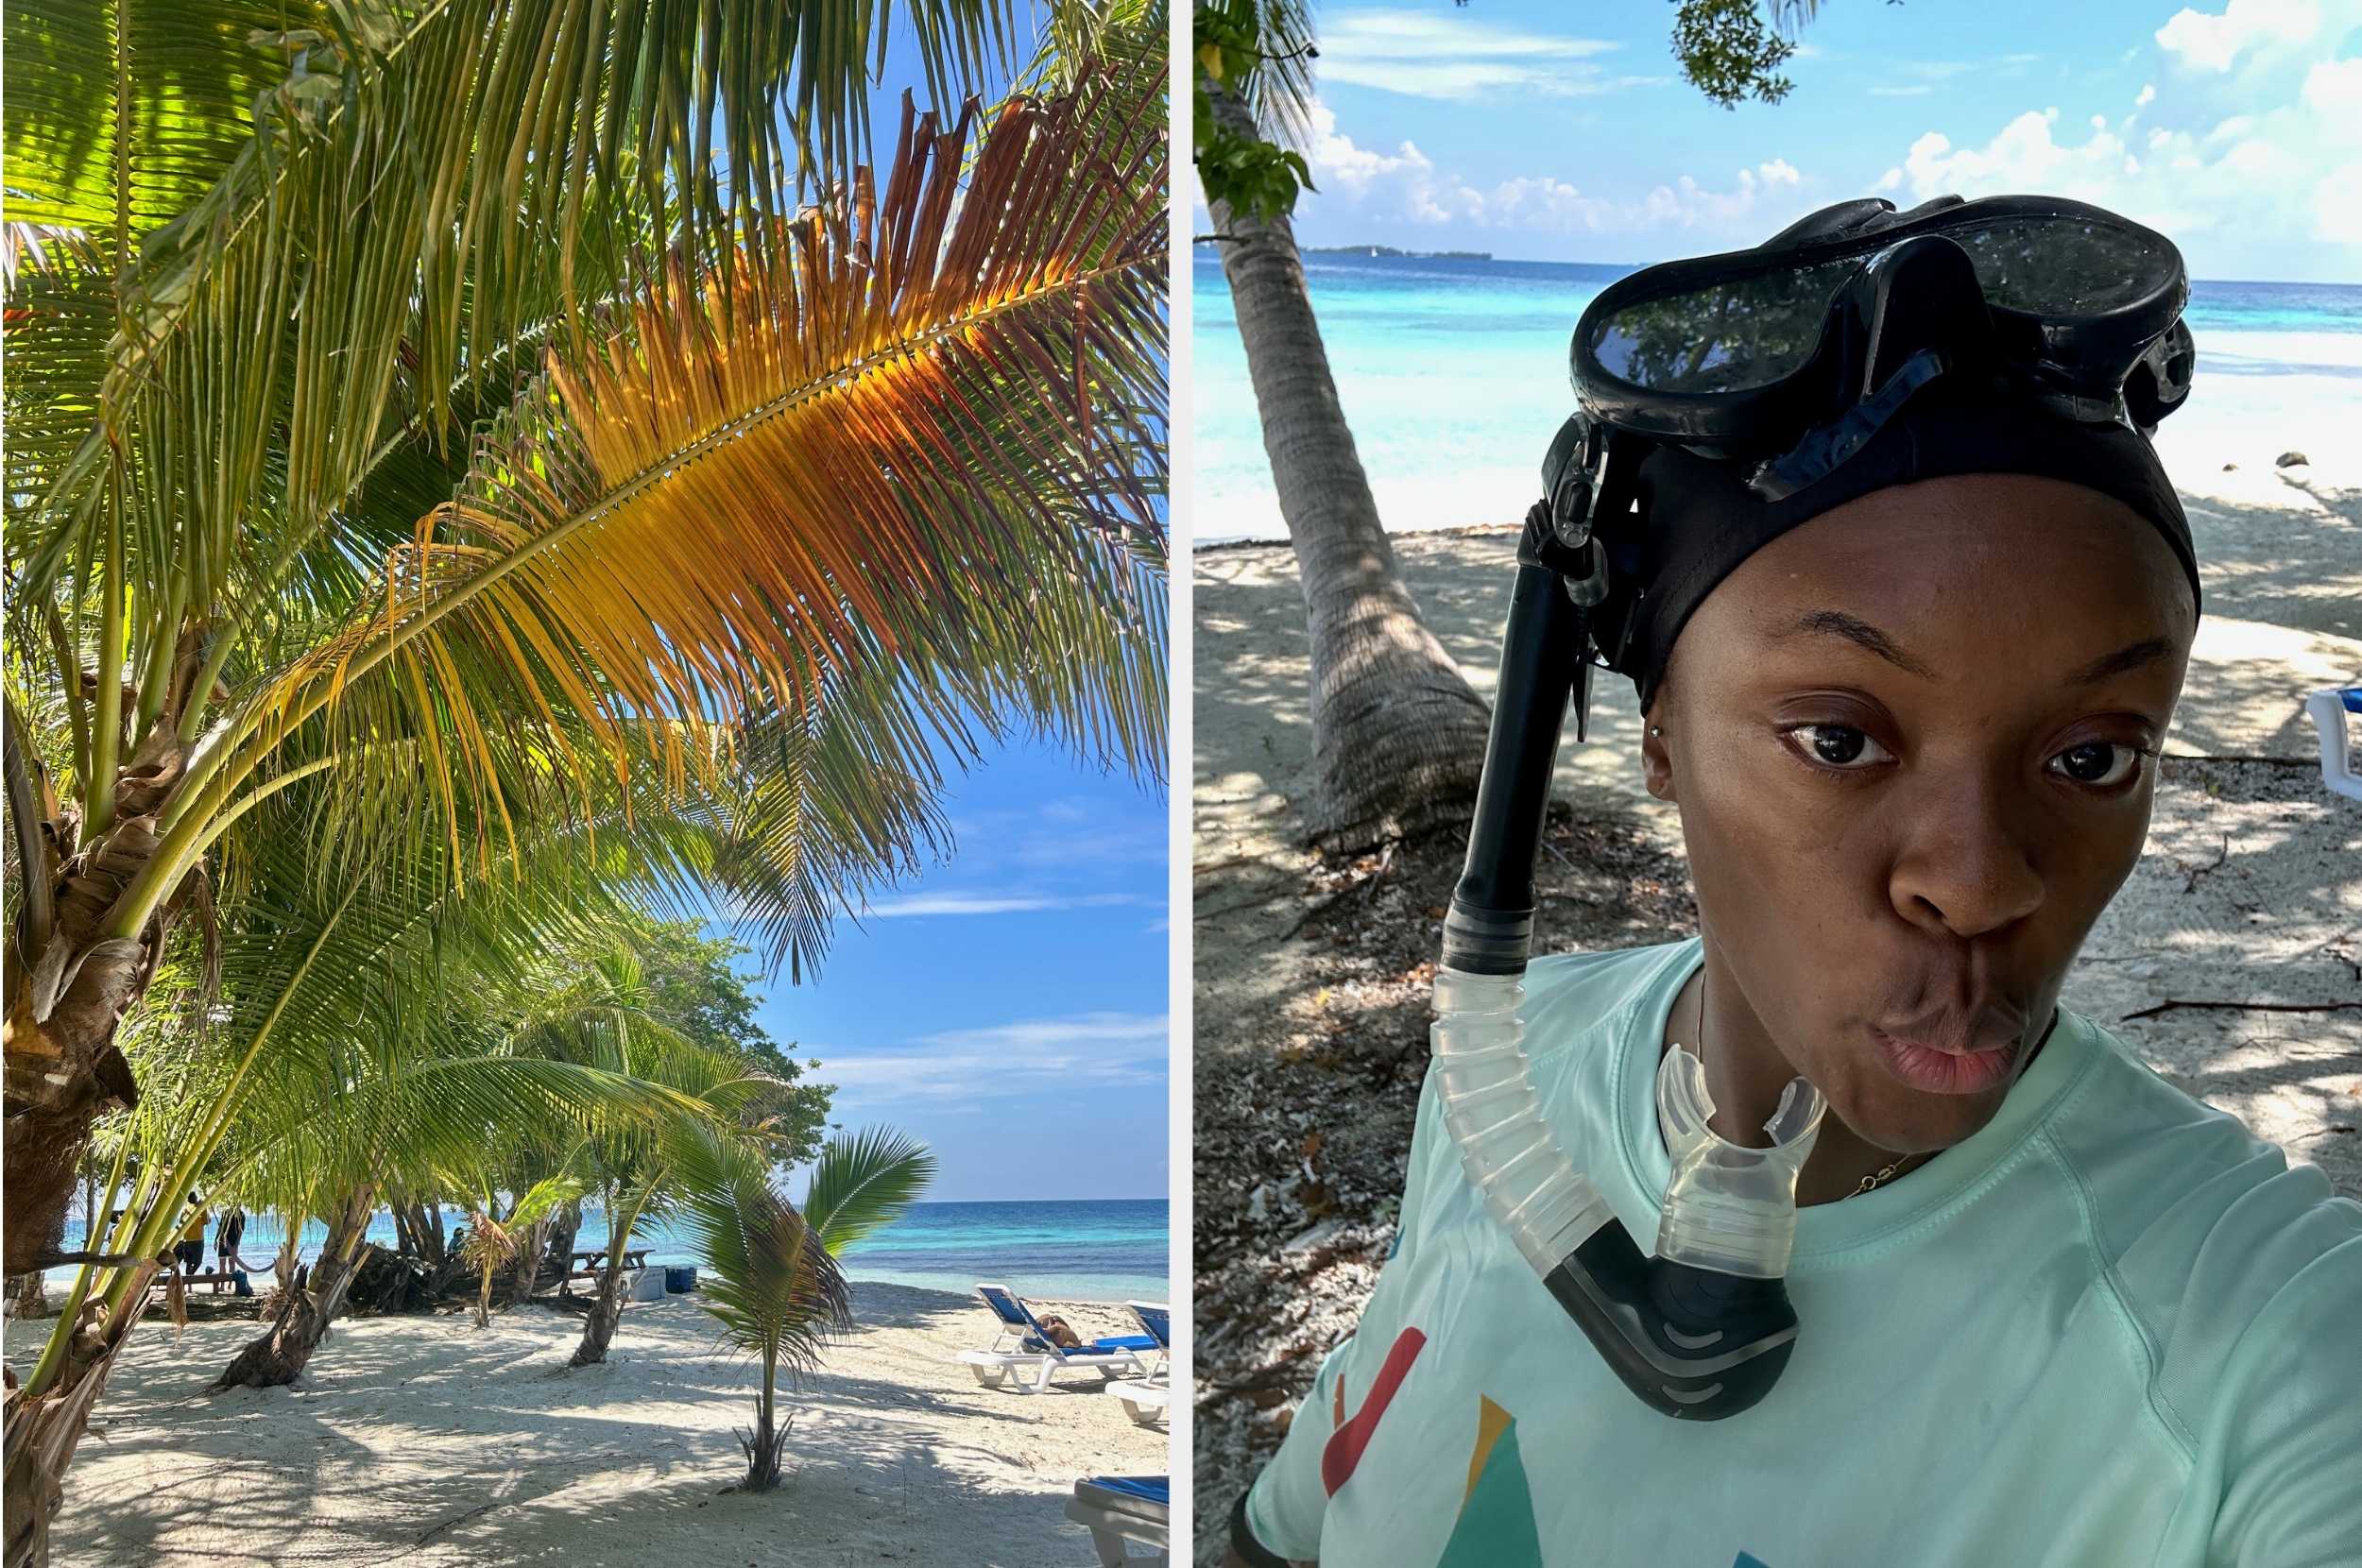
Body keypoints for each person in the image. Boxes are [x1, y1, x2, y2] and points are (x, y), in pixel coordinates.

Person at [1227, 197, 2361, 1567]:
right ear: (1659, 739)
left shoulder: (2263, 1340)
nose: (1980, 883)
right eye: (1839, 739)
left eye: (2090, 754)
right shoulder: (1504, 1069)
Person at [214, 1208, 246, 1295]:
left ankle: (230, 1284)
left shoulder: (241, 1214)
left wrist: (236, 1245)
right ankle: (222, 1284)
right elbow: (220, 1226)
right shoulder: (225, 1212)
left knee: (232, 1263)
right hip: (222, 1240)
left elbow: (240, 1231)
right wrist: (215, 1239)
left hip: (233, 1241)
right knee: (222, 1263)